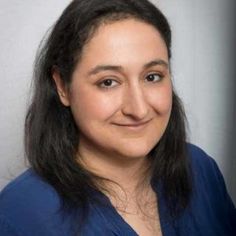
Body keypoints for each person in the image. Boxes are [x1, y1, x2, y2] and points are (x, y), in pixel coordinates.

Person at [0, 0, 235, 235]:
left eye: (152, 77)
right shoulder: (19, 215)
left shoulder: (200, 168)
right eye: (108, 82)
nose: (139, 109)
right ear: (62, 86)